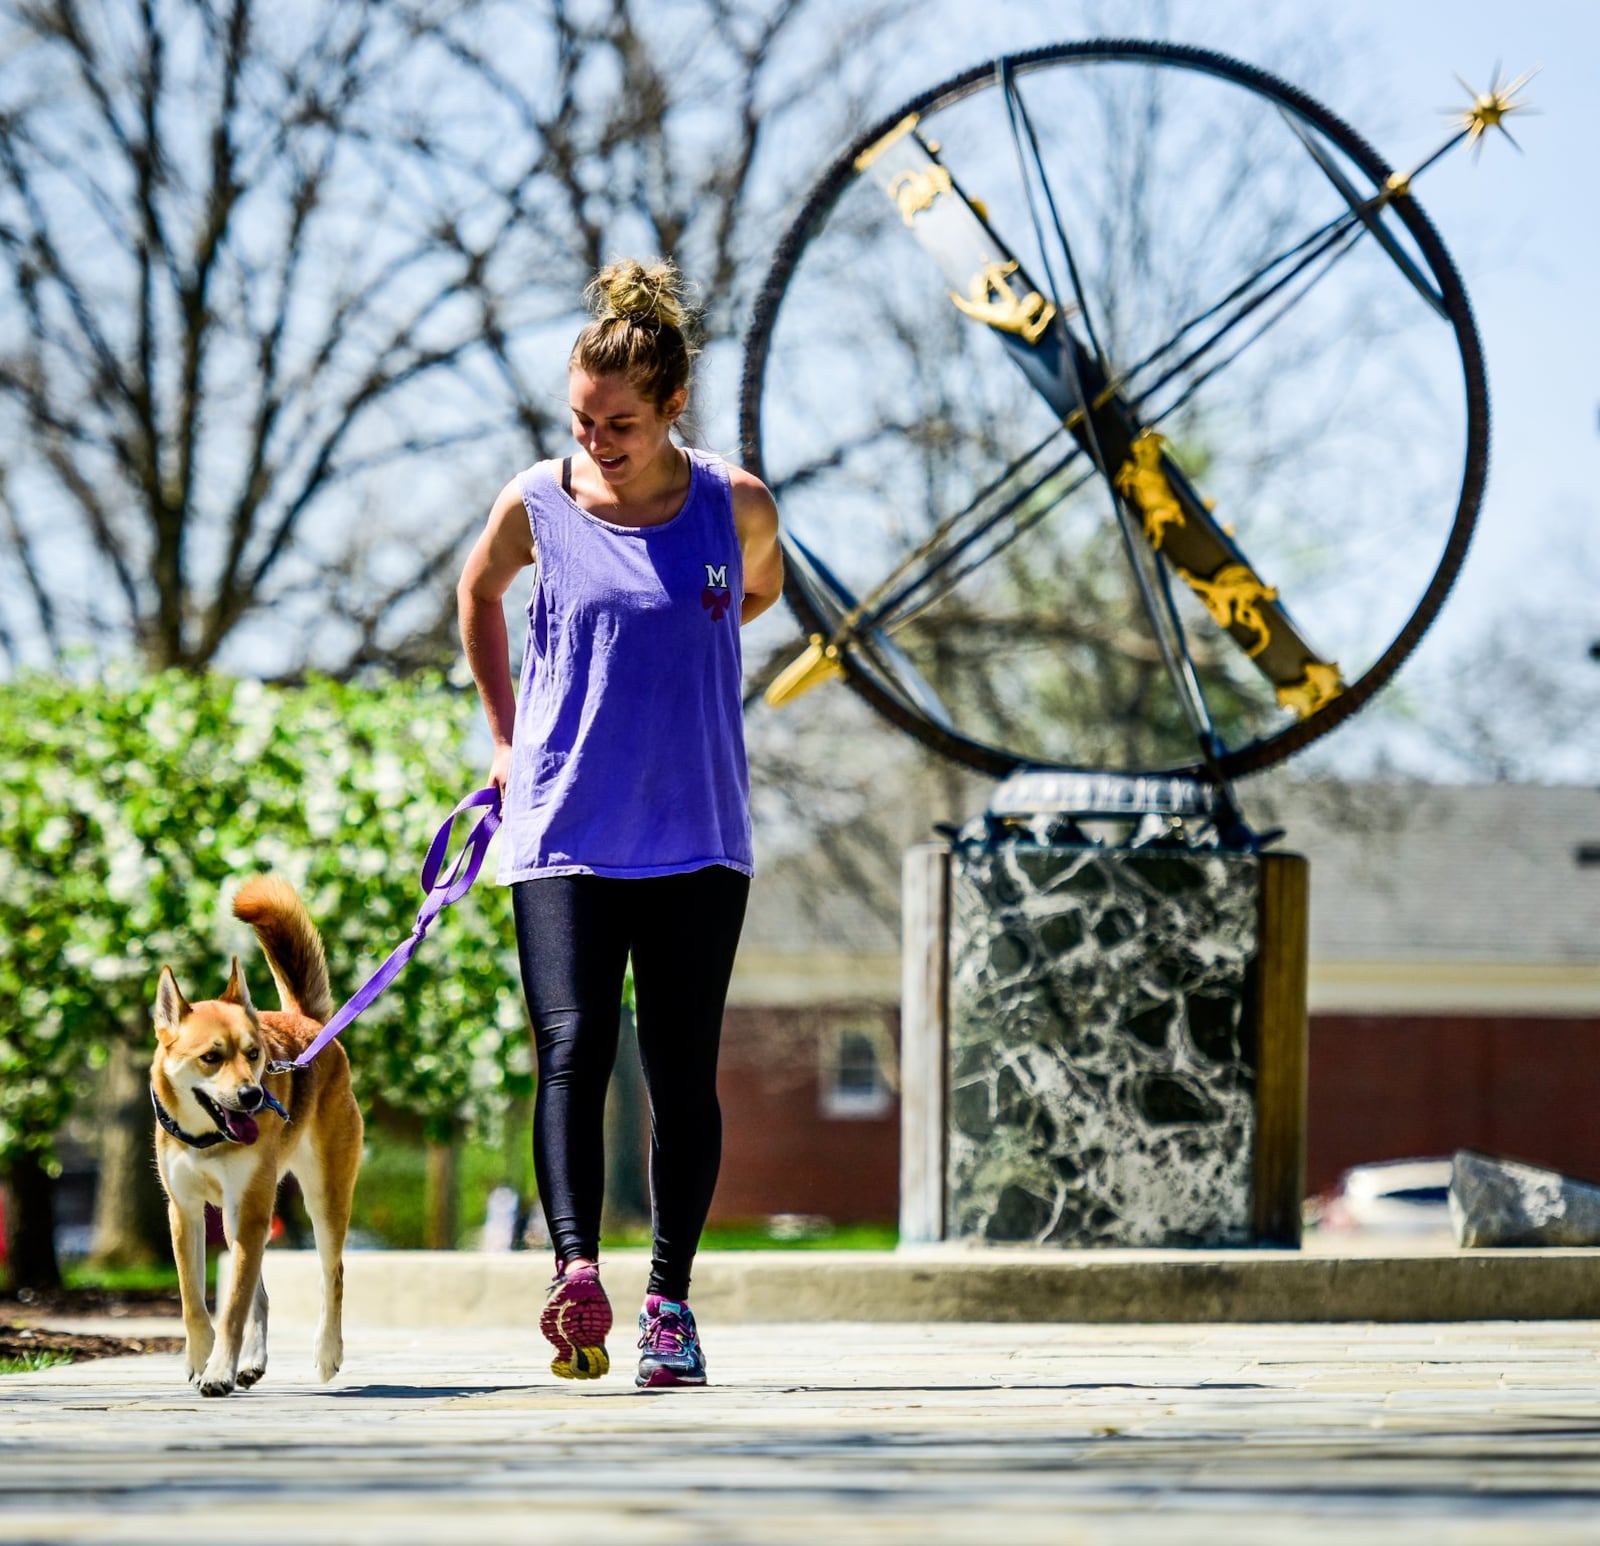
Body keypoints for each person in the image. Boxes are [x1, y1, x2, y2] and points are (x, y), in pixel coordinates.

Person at [456, 259, 782, 1389]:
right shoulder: (537, 501)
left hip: (696, 831)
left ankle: (669, 1304)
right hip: (560, 829)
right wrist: (505, 736)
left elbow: (759, 587)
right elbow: (475, 595)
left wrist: (693, 626)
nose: (597, 440)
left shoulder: (732, 504)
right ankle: (577, 1271)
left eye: (622, 423)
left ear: (674, 405)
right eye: (584, 420)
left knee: (681, 1072)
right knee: (571, 1048)